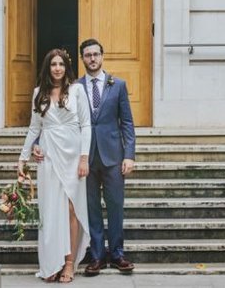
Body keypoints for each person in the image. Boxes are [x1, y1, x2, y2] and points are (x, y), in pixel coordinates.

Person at [18, 48, 91, 283]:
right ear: (47, 68)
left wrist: (84, 157)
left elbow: (87, 126)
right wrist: (23, 157)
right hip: (48, 156)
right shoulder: (38, 93)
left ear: (66, 67)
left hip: (73, 155)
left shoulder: (77, 90)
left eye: (61, 64)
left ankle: (69, 263)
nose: (57, 68)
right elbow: (33, 128)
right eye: (53, 64)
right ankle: (52, 261)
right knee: (51, 210)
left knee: (71, 209)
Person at [77, 38, 136, 276]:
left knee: (115, 207)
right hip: (86, 158)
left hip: (113, 156)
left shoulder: (118, 85)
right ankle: (97, 255)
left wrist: (129, 155)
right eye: (88, 55)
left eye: (96, 54)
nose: (92, 59)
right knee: (91, 208)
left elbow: (128, 123)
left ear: (102, 56)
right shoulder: (75, 87)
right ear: (82, 58)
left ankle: (118, 253)